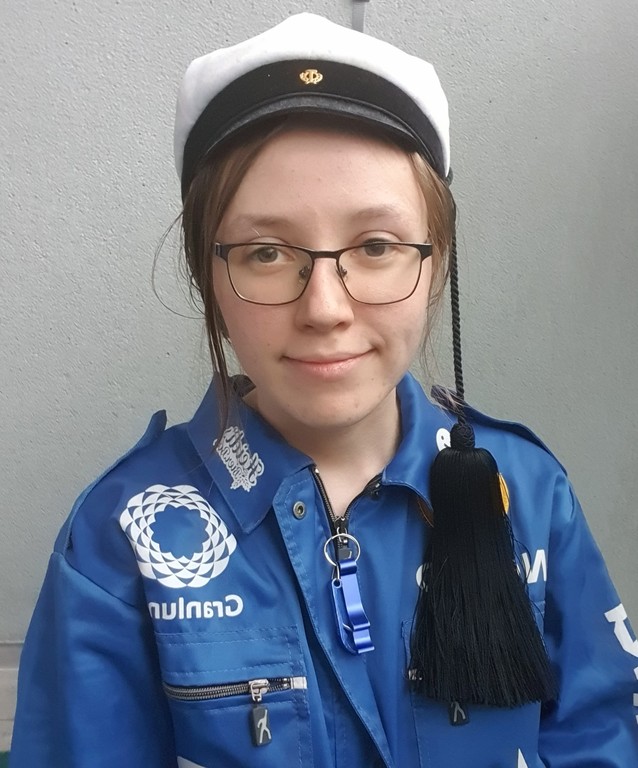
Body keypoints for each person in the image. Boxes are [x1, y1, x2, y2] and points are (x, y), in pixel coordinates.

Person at [10, 12, 638, 768]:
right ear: (208, 276)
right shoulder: (123, 537)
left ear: (435, 263)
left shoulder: (527, 494)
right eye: (266, 252)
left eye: (375, 246)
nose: (325, 309)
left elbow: (602, 736)